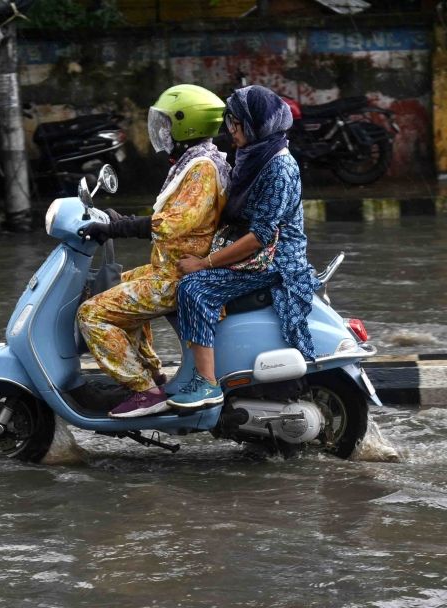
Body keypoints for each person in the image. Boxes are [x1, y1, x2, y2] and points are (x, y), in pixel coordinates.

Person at [76, 84, 229, 418]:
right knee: (114, 288)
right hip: (167, 268)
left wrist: (120, 227)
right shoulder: (194, 162)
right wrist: (122, 220)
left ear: (185, 124)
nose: (160, 131)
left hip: (177, 276)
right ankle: (153, 373)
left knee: (92, 313)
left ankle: (144, 391)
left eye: (166, 123)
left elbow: (176, 222)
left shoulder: (202, 168)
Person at [167, 84, 320, 409]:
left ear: (255, 125)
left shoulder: (278, 168)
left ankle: (206, 384)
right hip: (254, 253)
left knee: (194, 288)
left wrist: (204, 263)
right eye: (230, 123)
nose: (230, 131)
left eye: (236, 124)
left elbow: (259, 237)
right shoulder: (254, 156)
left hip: (274, 263)